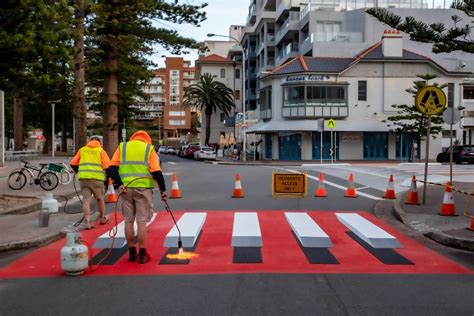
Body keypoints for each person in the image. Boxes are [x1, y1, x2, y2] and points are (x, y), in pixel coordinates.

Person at [108, 130, 167, 264]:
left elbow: (111, 169)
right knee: (141, 221)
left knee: (128, 220)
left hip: (126, 189)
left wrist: (120, 183)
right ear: (146, 139)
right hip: (143, 189)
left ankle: (131, 253)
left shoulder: (122, 147)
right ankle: (142, 254)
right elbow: (157, 172)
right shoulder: (149, 149)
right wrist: (163, 190)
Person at [70, 136, 111, 230]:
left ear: (90, 141)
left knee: (86, 200)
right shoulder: (100, 151)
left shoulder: (82, 150)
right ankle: (102, 218)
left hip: (84, 179)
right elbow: (107, 166)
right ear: (99, 142)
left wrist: (78, 171)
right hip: (97, 179)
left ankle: (87, 222)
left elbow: (73, 163)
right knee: (100, 198)